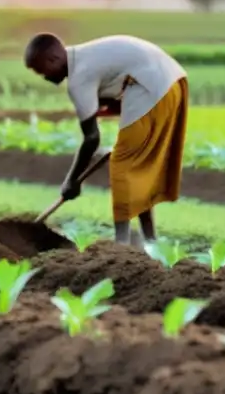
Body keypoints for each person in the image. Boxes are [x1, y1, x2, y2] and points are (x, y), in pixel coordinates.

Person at [24, 33, 188, 245]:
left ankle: (121, 243)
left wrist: (71, 181)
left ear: (53, 59)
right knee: (136, 170)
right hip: (172, 83)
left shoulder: (79, 77)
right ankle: (150, 241)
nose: (44, 77)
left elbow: (92, 139)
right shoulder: (84, 57)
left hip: (151, 88)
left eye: (41, 71)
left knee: (123, 167)